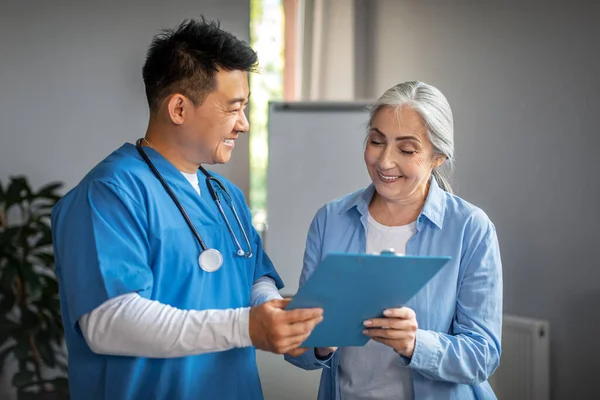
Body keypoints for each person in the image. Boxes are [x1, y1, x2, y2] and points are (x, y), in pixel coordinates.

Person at [51, 18, 323, 400]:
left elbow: (252, 279)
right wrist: (246, 327)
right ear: (178, 108)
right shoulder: (108, 194)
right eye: (234, 108)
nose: (244, 125)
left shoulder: (227, 196)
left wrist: (278, 310)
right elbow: (108, 322)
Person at [285, 81, 503, 399]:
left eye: (406, 149)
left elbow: (483, 355)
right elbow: (295, 349)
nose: (385, 161)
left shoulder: (470, 228)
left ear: (438, 157)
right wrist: (320, 340)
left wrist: (415, 344)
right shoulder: (330, 220)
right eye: (376, 141)